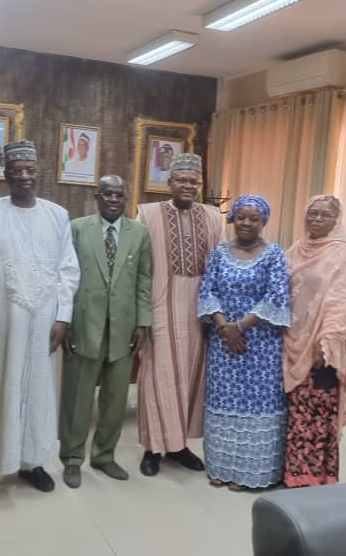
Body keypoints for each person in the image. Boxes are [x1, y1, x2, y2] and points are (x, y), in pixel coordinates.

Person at [0, 140, 80, 499]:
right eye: (17, 171)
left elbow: (68, 270)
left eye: (30, 170)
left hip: (43, 324)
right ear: (6, 175)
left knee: (38, 391)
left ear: (38, 172)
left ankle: (33, 462)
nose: (24, 176)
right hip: (0, 323)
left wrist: (62, 318)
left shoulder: (57, 215)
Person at [59, 175, 152, 488]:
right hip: (84, 323)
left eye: (119, 195)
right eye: (107, 194)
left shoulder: (139, 232)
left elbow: (144, 279)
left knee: (115, 397)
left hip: (123, 327)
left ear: (126, 199)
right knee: (78, 396)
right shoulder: (77, 228)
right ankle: (72, 458)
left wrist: (142, 322)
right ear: (96, 197)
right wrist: (64, 321)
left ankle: (104, 456)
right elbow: (65, 277)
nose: (114, 200)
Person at [135, 153, 224, 477]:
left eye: (193, 181)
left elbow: (222, 267)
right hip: (160, 309)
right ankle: (152, 448)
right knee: (156, 378)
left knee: (190, 379)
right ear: (169, 183)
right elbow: (139, 269)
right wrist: (141, 316)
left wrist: (219, 315)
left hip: (199, 313)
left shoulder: (213, 217)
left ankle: (179, 446)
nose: (188, 186)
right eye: (181, 180)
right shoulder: (147, 214)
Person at [198, 195, 291, 490]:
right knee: (223, 401)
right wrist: (225, 327)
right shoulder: (220, 252)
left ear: (264, 222)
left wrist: (239, 327)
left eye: (254, 219)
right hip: (223, 343)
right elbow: (207, 290)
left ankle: (253, 473)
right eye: (241, 217)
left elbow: (276, 297)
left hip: (260, 347)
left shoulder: (274, 254)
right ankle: (221, 466)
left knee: (257, 405)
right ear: (233, 219)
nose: (247, 223)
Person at [282, 195, 346, 487]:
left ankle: (315, 478)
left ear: (336, 220)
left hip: (322, 349)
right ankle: (292, 474)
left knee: (317, 413)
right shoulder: (295, 249)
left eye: (324, 215)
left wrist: (325, 342)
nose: (316, 219)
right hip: (291, 342)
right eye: (312, 213)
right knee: (294, 413)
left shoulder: (343, 254)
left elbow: (343, 302)